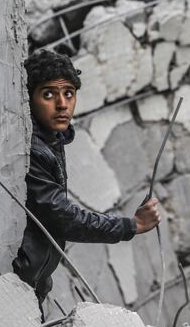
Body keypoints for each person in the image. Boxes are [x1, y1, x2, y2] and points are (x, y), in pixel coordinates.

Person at [13, 50, 160, 306]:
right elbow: (63, 217)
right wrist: (131, 225)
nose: (62, 104)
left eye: (68, 93)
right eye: (49, 94)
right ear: (29, 98)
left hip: (34, 283)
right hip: (16, 284)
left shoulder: (53, 139)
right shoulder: (33, 150)